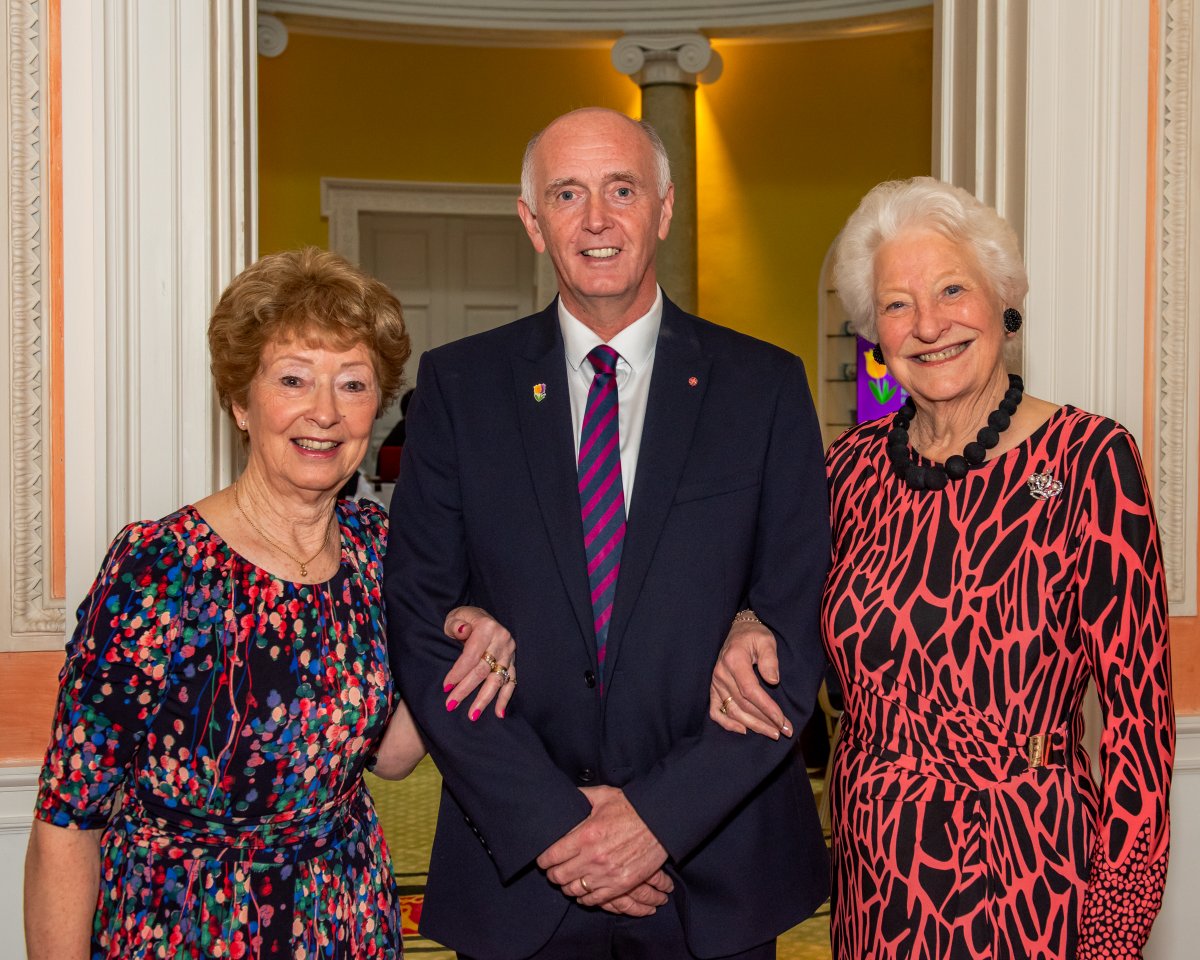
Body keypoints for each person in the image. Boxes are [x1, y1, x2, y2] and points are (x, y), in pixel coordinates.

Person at [384, 107, 830, 960]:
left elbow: (794, 625)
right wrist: (556, 828)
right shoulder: (458, 390)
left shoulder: (764, 387)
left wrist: (659, 819)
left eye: (621, 190)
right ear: (532, 222)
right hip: (520, 871)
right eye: (567, 194)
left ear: (663, 209)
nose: (596, 219)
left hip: (713, 867)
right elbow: (420, 619)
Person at [710, 177, 1175, 959]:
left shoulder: (1091, 461)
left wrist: (1114, 932)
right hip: (876, 865)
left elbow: (1139, 727)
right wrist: (748, 619)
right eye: (897, 305)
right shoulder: (848, 470)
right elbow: (773, 593)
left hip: (1030, 867)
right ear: (875, 332)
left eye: (952, 289)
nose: (929, 325)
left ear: (1004, 299)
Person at [24, 248, 516, 960]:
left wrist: (479, 648)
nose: (325, 412)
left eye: (353, 384)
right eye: (293, 380)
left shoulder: (382, 551)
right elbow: (68, 820)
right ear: (240, 401)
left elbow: (391, 758)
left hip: (344, 917)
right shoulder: (160, 567)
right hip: (184, 927)